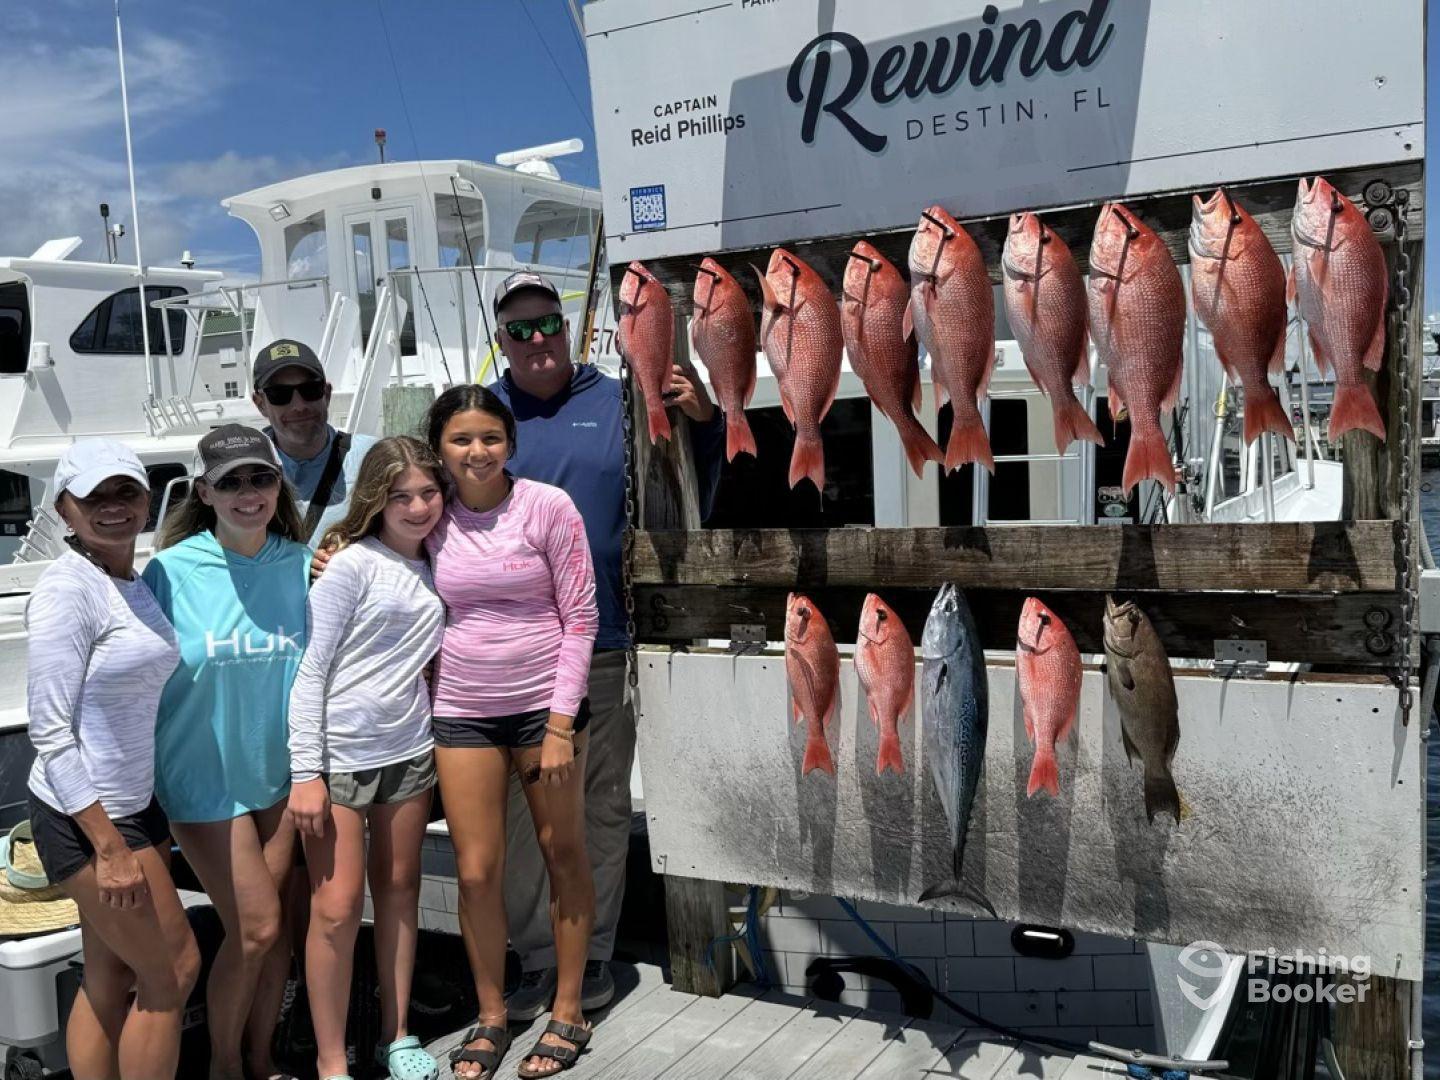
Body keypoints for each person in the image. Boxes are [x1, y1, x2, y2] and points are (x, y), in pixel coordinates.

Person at [487, 271, 724, 1019]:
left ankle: (590, 954)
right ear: (502, 341)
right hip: (514, 650)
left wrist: (704, 421)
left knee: (600, 806)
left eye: (546, 323)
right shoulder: (482, 414)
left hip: (605, 640)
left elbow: (693, 488)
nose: (536, 341)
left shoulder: (621, 395)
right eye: (519, 330)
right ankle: (533, 955)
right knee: (519, 813)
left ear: (570, 327)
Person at [426, 386, 598, 1079]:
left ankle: (567, 1010)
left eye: (491, 438)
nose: (477, 451)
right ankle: (492, 1015)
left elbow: (581, 617)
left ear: (511, 444)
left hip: (542, 712)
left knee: (564, 854)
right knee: (475, 872)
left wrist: (561, 725)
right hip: (461, 711)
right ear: (439, 448)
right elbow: (370, 552)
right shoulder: (427, 516)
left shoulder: (548, 507)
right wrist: (334, 550)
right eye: (461, 439)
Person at [24, 441, 199, 1080]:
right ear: (65, 509)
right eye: (93, 498)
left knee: (108, 974)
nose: (113, 508)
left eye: (125, 492)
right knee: (171, 971)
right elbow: (50, 731)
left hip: (131, 803)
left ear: (147, 498)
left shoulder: (126, 579)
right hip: (87, 818)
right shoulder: (68, 590)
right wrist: (109, 846)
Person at [144, 425, 311, 1080]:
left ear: (278, 486)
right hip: (202, 781)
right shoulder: (169, 570)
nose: (249, 493)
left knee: (275, 941)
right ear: (206, 491)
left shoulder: (303, 565)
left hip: (284, 779)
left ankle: (262, 1059)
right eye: (232, 481)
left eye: (261, 478)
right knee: (258, 927)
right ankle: (222, 1067)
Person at [286, 437, 446, 1080]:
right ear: (374, 499)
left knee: (402, 892)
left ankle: (397, 1033)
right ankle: (331, 1061)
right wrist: (305, 772)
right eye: (399, 496)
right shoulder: (349, 564)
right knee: (337, 907)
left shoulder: (440, 557)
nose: (416, 507)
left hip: (411, 750)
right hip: (342, 756)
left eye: (428, 493)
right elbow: (312, 671)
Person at [251, 338, 379, 546]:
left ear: (327, 394)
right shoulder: (241, 468)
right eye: (279, 395)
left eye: (310, 390)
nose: (299, 405)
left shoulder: (373, 457)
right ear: (260, 404)